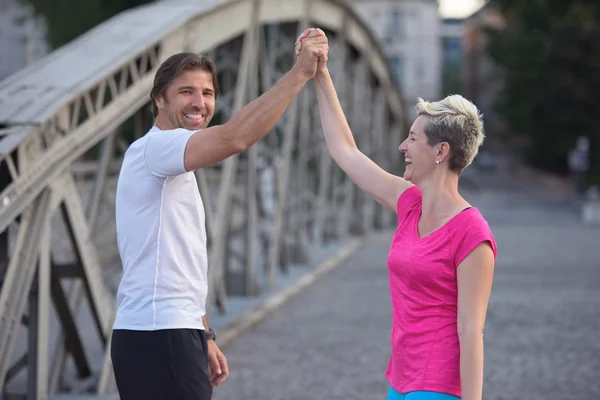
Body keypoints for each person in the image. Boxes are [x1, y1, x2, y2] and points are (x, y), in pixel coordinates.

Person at [110, 30, 329, 400]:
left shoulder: (170, 159)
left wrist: (204, 334)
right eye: (186, 92)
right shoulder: (156, 148)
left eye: (208, 93)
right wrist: (300, 74)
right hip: (159, 335)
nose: (199, 103)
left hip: (169, 332)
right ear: (158, 100)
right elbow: (235, 138)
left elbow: (179, 265)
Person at [296, 29, 497, 400]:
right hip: (401, 380)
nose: (402, 146)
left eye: (413, 139)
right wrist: (321, 74)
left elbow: (471, 331)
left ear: (441, 152)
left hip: (438, 386)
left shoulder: (472, 233)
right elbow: (346, 151)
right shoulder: (409, 203)